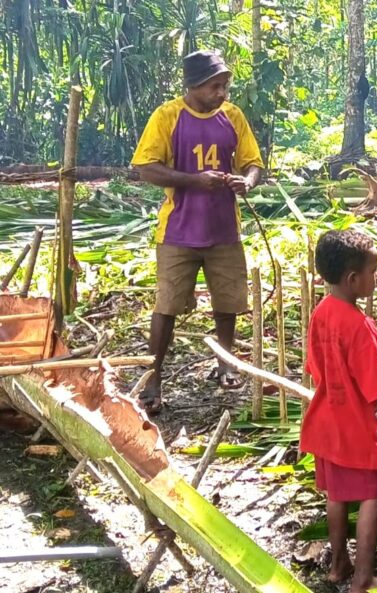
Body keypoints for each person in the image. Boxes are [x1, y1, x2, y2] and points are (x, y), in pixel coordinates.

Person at [131, 50, 263, 413]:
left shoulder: (233, 116)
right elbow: (146, 167)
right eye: (214, 86)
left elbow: (253, 163)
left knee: (227, 301)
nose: (221, 93)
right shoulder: (167, 116)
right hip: (178, 230)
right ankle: (153, 376)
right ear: (192, 85)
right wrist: (194, 180)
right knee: (167, 305)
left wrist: (247, 182)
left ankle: (225, 362)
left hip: (224, 229)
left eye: (224, 86)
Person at [301, 230, 377, 592]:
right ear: (352, 279)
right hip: (355, 428)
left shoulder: (321, 313)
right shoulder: (360, 326)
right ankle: (363, 578)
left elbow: (315, 368)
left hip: (326, 421)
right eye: (374, 271)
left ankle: (338, 564)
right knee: (371, 496)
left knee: (337, 494)